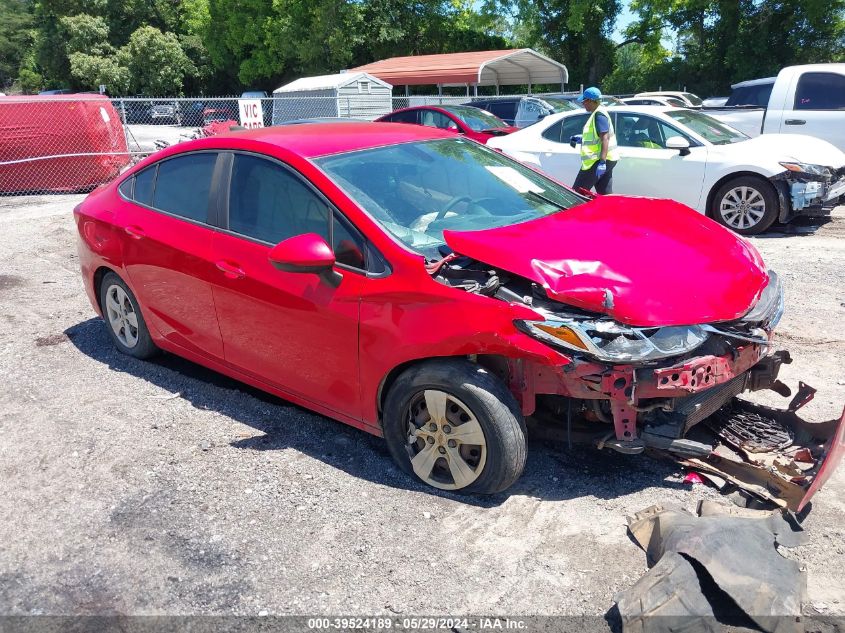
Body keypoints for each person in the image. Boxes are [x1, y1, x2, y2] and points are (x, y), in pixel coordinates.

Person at [572, 86, 619, 194]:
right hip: (609, 159)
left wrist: (602, 162)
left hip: (598, 161)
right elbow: (597, 136)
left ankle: (572, 211)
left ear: (590, 101)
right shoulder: (599, 112)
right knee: (604, 193)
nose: (583, 104)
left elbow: (605, 138)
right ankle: (609, 211)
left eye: (584, 101)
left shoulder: (599, 115)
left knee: (576, 193)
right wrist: (581, 139)